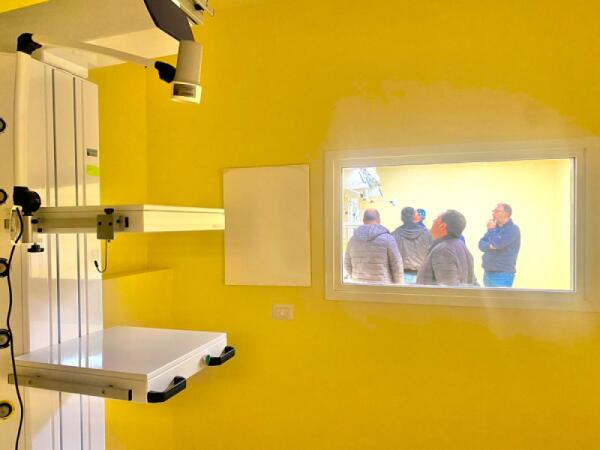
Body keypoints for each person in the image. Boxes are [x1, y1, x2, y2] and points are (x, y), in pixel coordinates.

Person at [416, 210, 477, 286]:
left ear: (442, 226)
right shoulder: (461, 246)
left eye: (437, 218)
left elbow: (448, 289)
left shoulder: (443, 250)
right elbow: (474, 283)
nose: (433, 220)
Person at [344, 208, 403, 284]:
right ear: (379, 220)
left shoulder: (352, 240)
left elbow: (347, 264)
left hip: (359, 286)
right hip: (383, 286)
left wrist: (355, 278)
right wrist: (398, 285)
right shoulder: (388, 239)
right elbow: (397, 265)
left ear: (363, 220)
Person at [478, 203, 521, 287]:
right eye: (493, 211)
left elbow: (496, 244)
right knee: (487, 296)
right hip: (488, 272)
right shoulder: (495, 228)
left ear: (506, 214)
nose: (493, 213)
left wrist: (491, 230)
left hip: (502, 274)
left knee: (499, 296)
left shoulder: (512, 229)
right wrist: (490, 246)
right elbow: (481, 244)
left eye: (497, 211)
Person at [392, 207, 432, 284]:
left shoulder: (394, 234)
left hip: (402, 275)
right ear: (414, 217)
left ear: (402, 218)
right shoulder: (428, 233)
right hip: (422, 274)